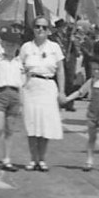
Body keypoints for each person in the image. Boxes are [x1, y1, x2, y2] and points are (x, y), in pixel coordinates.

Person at [18, 16, 66, 172]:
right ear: (33, 28)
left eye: (44, 27)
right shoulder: (26, 47)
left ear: (49, 30)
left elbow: (60, 71)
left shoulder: (54, 47)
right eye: (38, 26)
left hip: (48, 86)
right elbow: (19, 69)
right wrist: (20, 87)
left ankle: (42, 158)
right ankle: (33, 159)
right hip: (31, 87)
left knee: (45, 124)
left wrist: (62, 91)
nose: (40, 30)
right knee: (32, 124)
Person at [0, 29, 26, 172]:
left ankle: (7, 158)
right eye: (7, 45)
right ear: (3, 45)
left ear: (17, 47)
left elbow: (21, 84)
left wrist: (21, 102)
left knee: (10, 128)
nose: (10, 48)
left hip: (14, 95)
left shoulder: (19, 63)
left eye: (13, 45)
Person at [68, 57, 99, 172]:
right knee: (91, 138)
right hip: (92, 112)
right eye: (94, 69)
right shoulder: (91, 81)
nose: (96, 71)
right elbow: (80, 92)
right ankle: (89, 160)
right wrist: (67, 99)